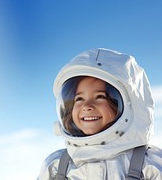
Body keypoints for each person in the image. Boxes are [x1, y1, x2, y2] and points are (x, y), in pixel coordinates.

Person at [37, 48, 162, 179]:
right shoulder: (57, 166)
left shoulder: (151, 164)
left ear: (129, 105)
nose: (87, 106)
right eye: (79, 99)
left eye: (100, 97)